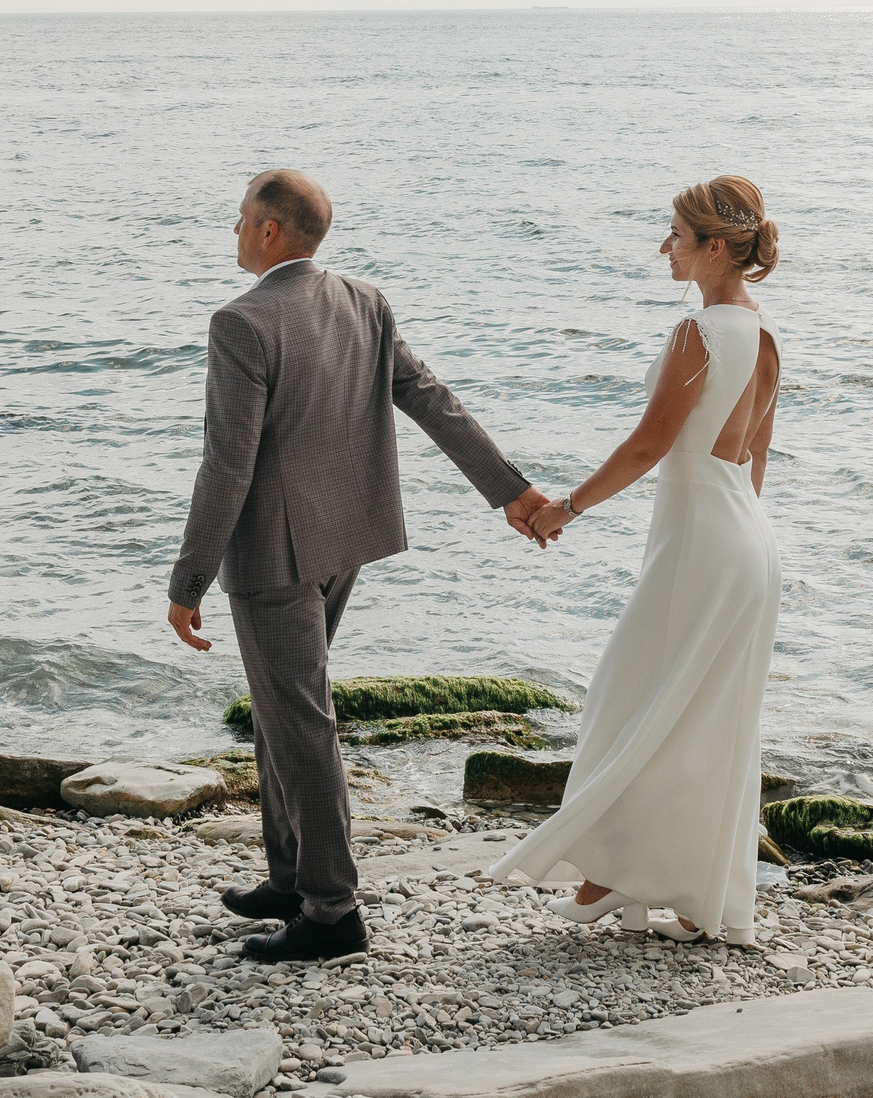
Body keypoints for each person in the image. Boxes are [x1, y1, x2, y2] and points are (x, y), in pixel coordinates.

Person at [165, 169, 552, 963]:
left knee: (301, 721)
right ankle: (291, 874)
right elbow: (431, 397)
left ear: (272, 231)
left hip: (275, 553)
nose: (234, 230)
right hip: (346, 538)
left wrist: (187, 579)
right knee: (283, 708)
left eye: (241, 218)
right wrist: (509, 490)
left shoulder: (241, 322)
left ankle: (333, 911)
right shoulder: (364, 301)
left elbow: (226, 465)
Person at [497, 174, 783, 943]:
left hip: (702, 541)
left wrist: (566, 507)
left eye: (677, 237)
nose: (665, 247)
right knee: (705, 723)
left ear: (715, 249)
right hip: (748, 543)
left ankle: (608, 877)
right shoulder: (764, 336)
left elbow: (651, 444)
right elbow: (755, 457)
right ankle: (692, 898)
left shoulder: (699, 334)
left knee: (625, 700)